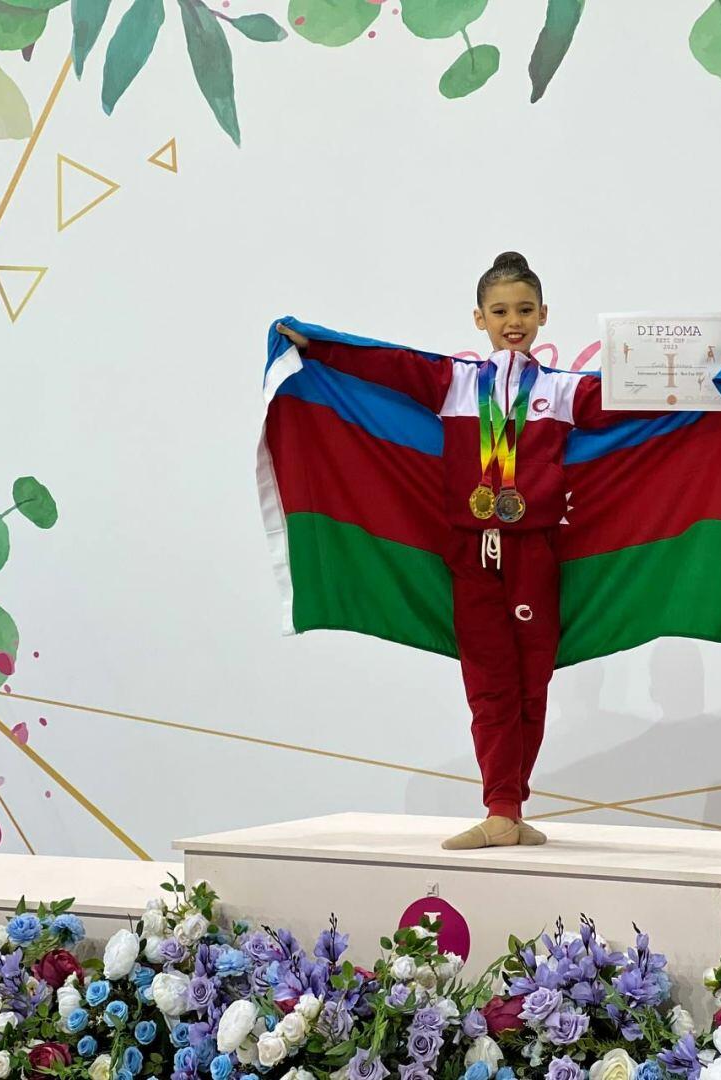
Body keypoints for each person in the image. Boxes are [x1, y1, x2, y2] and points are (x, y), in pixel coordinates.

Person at [277, 251, 664, 851]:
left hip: (535, 555)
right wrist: (320, 346)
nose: (514, 321)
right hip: (472, 557)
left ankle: (510, 808)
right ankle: (500, 808)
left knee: (531, 685)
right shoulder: (453, 382)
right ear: (479, 318)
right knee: (489, 683)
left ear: (544, 315)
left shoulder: (563, 391)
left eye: (525, 310)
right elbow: (388, 364)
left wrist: (708, 378)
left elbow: (638, 396)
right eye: (500, 311)